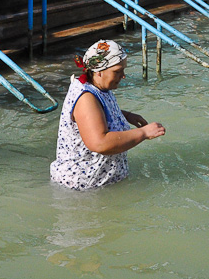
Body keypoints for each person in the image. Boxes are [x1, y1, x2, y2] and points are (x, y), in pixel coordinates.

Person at [50, 40, 165, 190]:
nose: (123, 76)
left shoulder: (98, 86)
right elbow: (100, 143)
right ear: (99, 70)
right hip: (83, 188)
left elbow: (97, 113)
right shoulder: (86, 97)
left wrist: (126, 115)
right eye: (117, 71)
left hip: (101, 182)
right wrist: (143, 133)